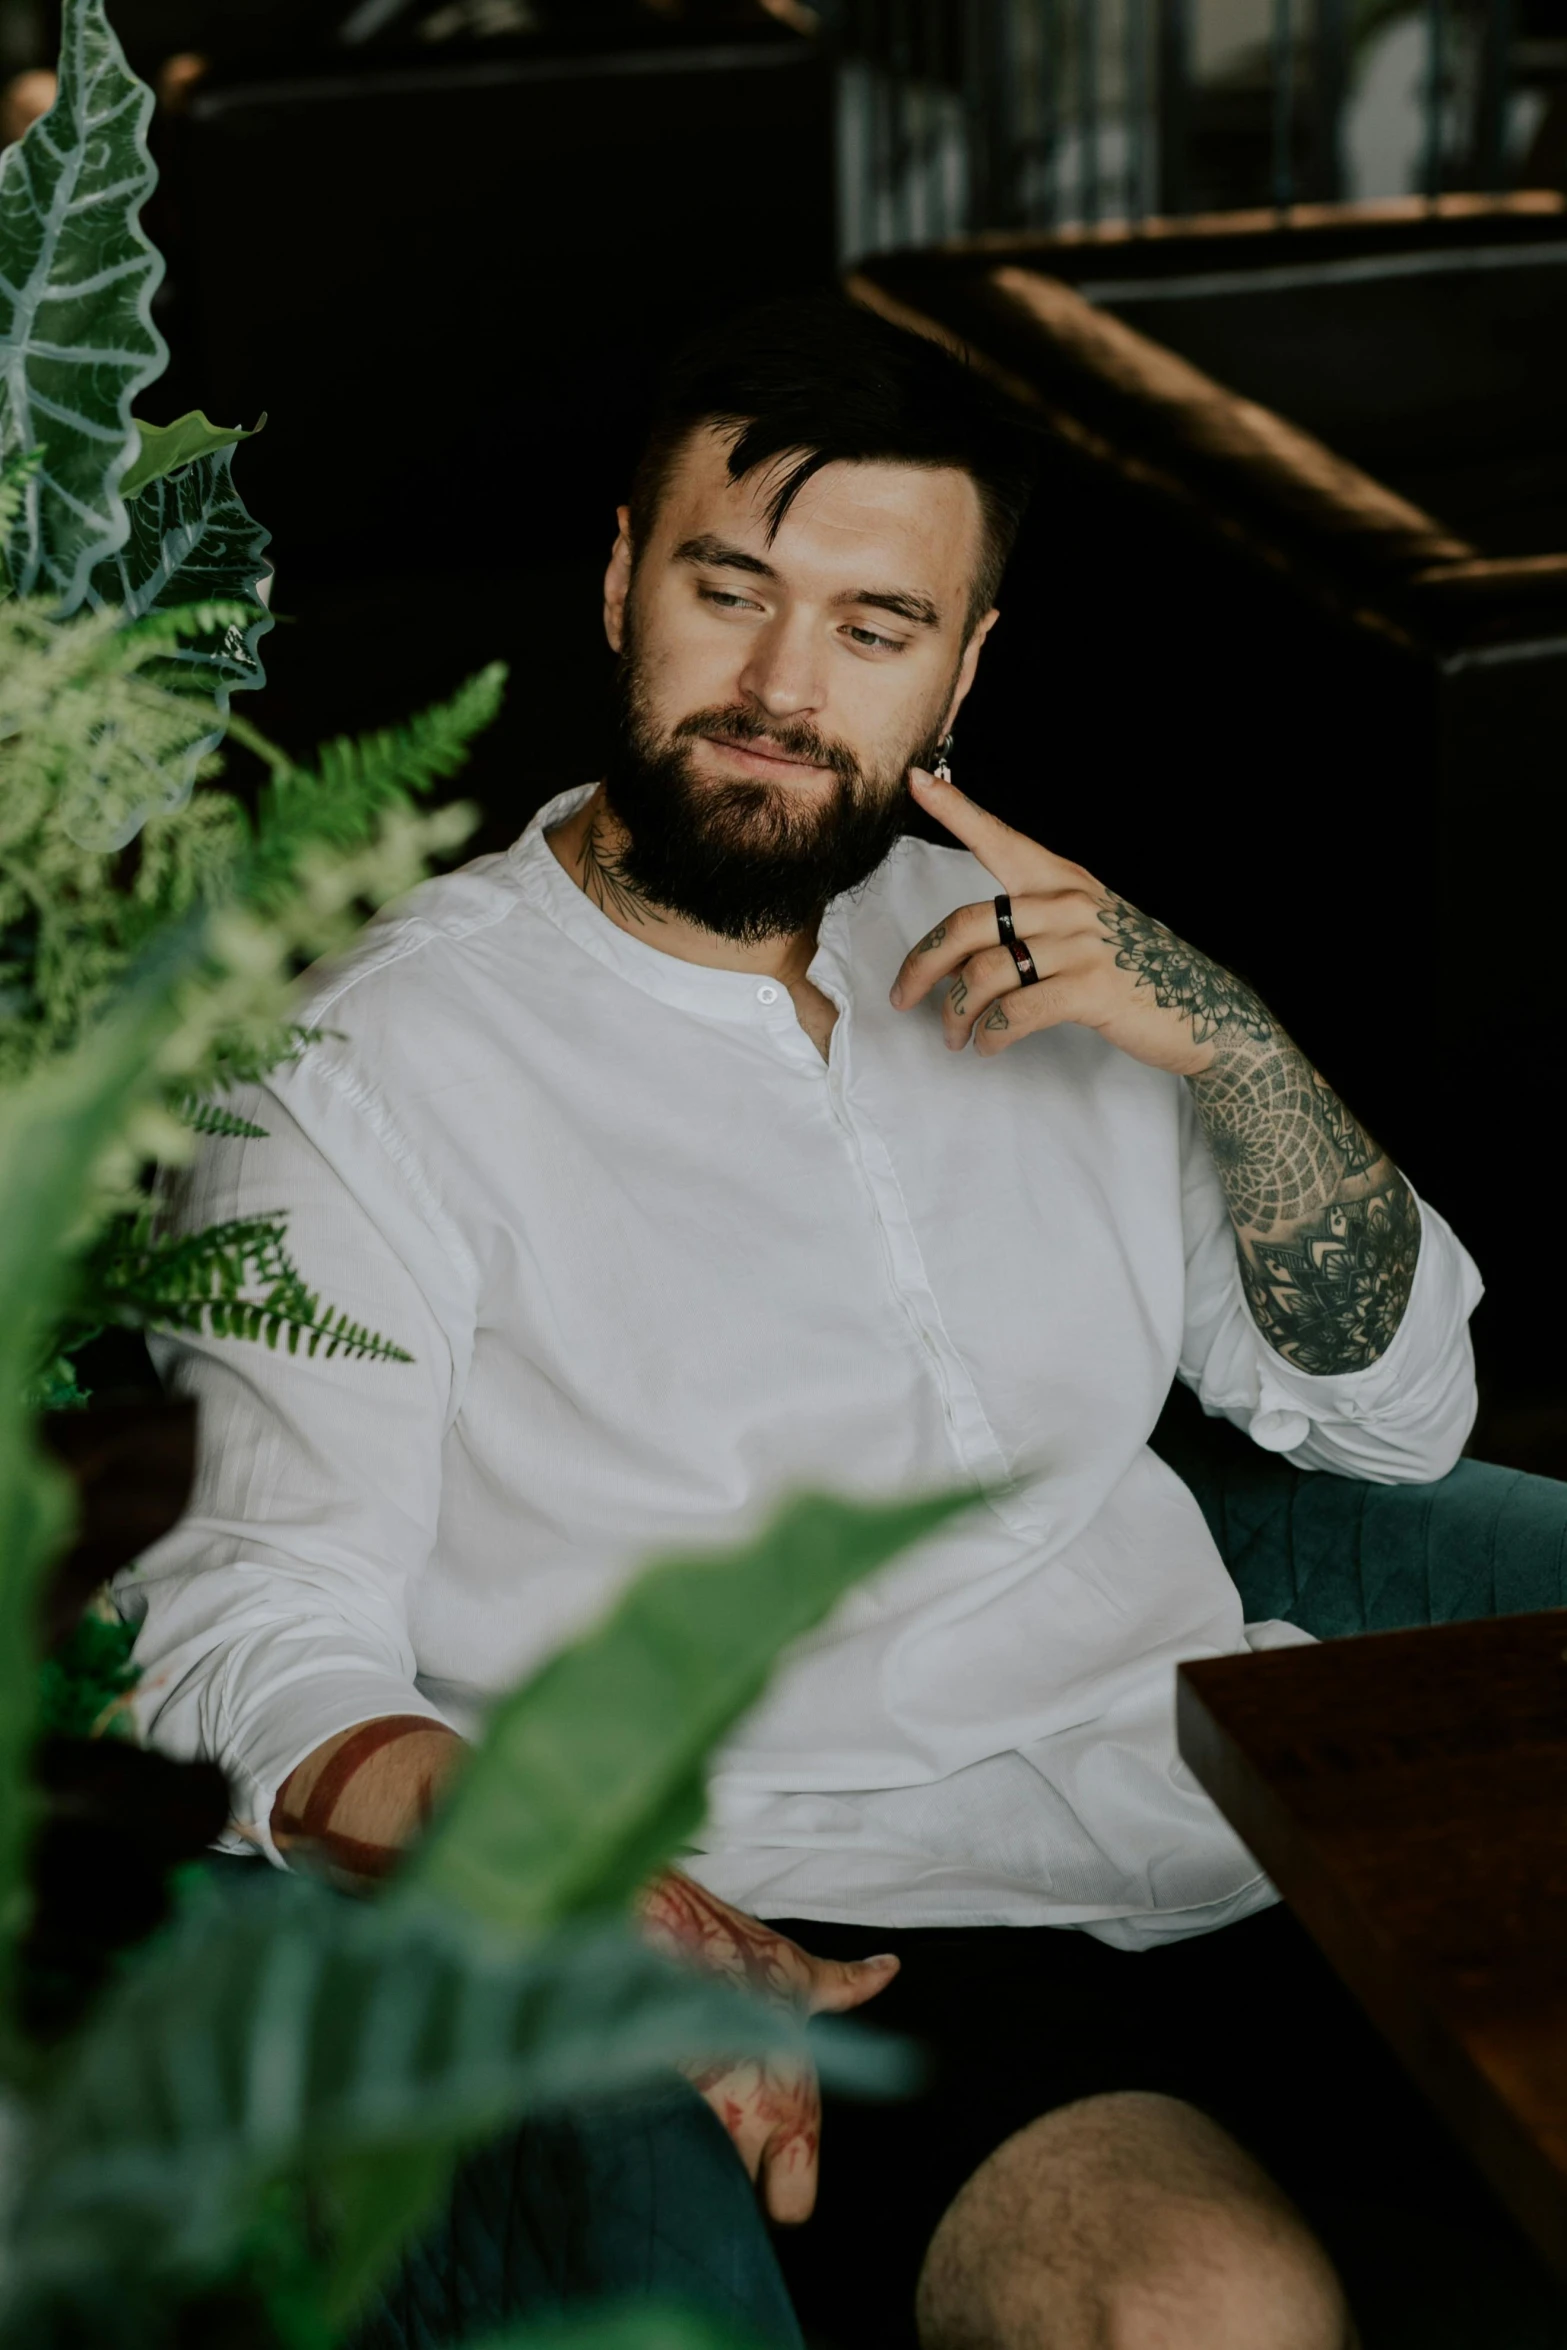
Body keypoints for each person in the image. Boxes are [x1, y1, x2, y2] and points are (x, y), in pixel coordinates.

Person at [122, 296, 1506, 2350]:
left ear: (962, 667)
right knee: (1198, 2300)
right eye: (727, 588)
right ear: (620, 580)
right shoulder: (366, 1072)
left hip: (1239, 1816)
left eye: (873, 625)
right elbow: (244, 1618)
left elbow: (1397, 1420)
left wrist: (1235, 1042)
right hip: (856, 1923)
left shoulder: (1050, 966)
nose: (781, 687)